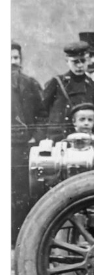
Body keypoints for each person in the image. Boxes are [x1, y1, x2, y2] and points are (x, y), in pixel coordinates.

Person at [11, 41, 46, 245]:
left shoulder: (30, 84)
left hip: (23, 148)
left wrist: (36, 138)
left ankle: (19, 240)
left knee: (22, 194)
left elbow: (42, 115)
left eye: (15, 58)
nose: (12, 63)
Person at [42, 41, 94, 140]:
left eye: (83, 61)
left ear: (88, 60)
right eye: (75, 62)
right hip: (59, 139)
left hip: (84, 140)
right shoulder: (57, 83)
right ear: (67, 61)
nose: (80, 65)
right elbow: (42, 111)